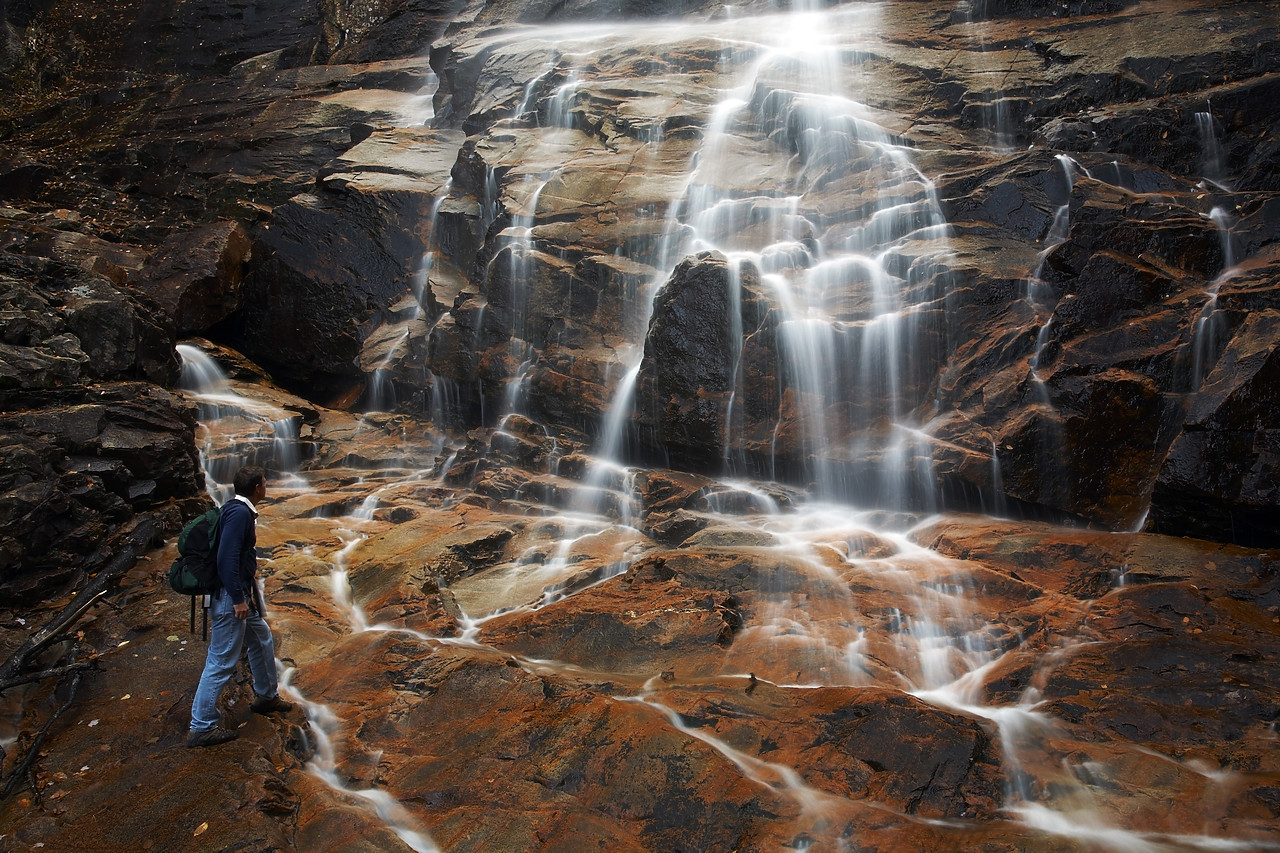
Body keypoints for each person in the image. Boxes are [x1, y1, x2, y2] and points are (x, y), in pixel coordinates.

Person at [187, 465, 293, 747]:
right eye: (265, 482)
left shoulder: (238, 509)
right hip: (228, 598)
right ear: (258, 487)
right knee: (221, 660)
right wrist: (237, 599)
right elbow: (226, 558)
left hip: (240, 595)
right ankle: (202, 726)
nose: (267, 486)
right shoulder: (239, 514)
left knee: (261, 640)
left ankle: (266, 696)